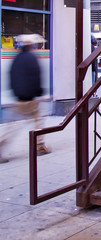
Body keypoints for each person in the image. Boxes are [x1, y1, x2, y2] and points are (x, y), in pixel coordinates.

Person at [0, 34, 50, 163]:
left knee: (12, 127)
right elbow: (36, 77)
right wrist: (39, 93)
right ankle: (40, 147)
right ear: (31, 45)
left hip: (18, 99)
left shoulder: (17, 59)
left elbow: (11, 76)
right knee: (39, 121)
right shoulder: (32, 59)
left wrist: (16, 93)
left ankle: (1, 148)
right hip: (30, 99)